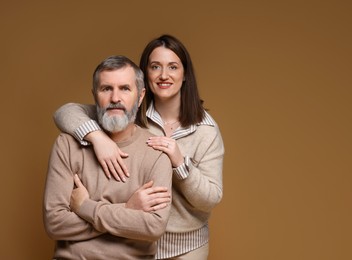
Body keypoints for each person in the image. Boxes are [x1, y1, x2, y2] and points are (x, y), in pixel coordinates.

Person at [53, 35, 224, 259]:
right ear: (145, 76)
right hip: (132, 240)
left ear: (185, 75)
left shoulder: (205, 130)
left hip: (186, 246)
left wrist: (180, 164)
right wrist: (98, 138)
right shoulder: (128, 112)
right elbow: (65, 112)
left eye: (173, 67)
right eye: (155, 67)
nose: (164, 75)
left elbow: (210, 199)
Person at [43, 55, 172, 259]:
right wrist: (128, 209)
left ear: (140, 96)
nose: (115, 98)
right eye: (106, 89)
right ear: (95, 95)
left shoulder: (156, 153)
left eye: (125, 88)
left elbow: (153, 227)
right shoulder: (67, 144)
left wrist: (85, 207)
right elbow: (55, 223)